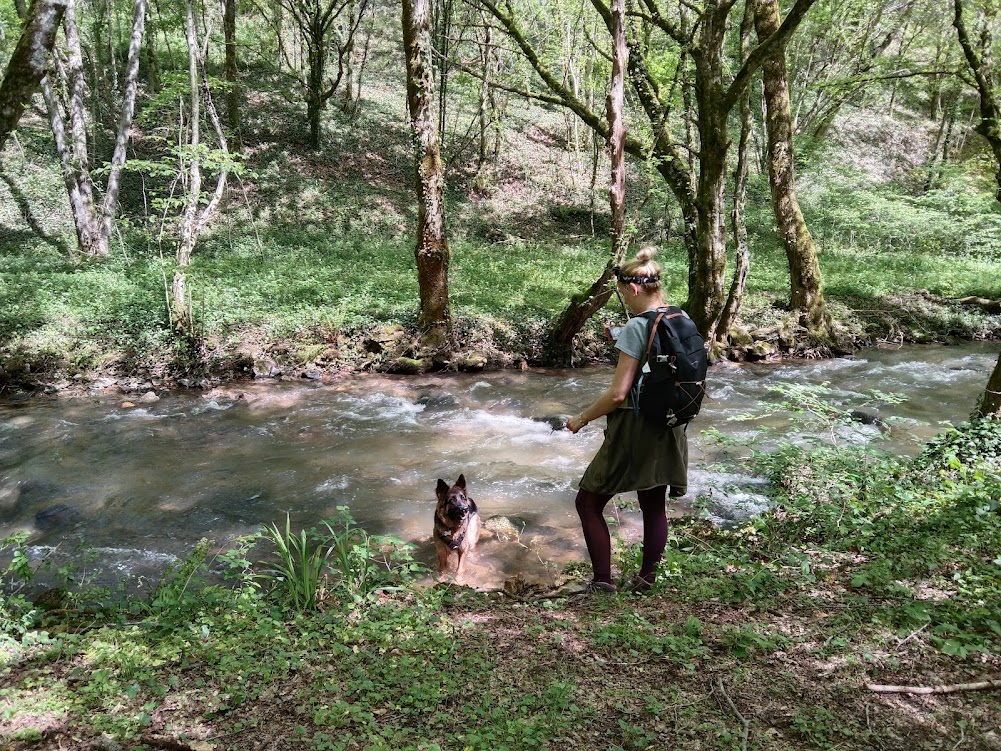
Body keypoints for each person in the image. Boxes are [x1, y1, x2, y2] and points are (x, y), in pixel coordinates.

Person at [566, 247, 689, 594]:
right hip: (671, 421)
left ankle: (603, 582)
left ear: (634, 289)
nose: (626, 301)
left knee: (587, 502)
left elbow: (618, 393)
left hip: (635, 426)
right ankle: (646, 580)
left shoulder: (637, 326)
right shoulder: (678, 317)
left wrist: (581, 418)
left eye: (623, 294)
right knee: (653, 503)